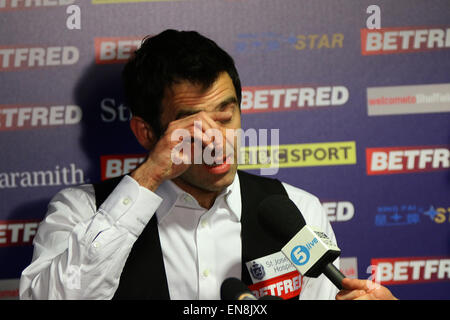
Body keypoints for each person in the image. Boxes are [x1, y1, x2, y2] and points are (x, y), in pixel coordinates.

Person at [19, 29, 395, 300]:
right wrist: (150, 175)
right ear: (147, 133)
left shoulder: (298, 209)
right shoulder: (82, 211)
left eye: (226, 116)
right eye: (192, 127)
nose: (216, 141)